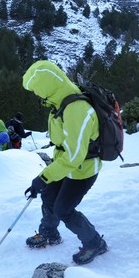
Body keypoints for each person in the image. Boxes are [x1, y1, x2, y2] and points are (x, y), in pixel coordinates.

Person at [21, 60, 108, 265]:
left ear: (47, 87)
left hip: (83, 169)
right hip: (65, 164)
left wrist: (44, 177)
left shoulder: (76, 109)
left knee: (64, 209)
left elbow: (75, 156)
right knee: (49, 195)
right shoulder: (59, 102)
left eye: (37, 90)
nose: (37, 95)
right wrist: (46, 180)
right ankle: (50, 233)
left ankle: (95, 243)